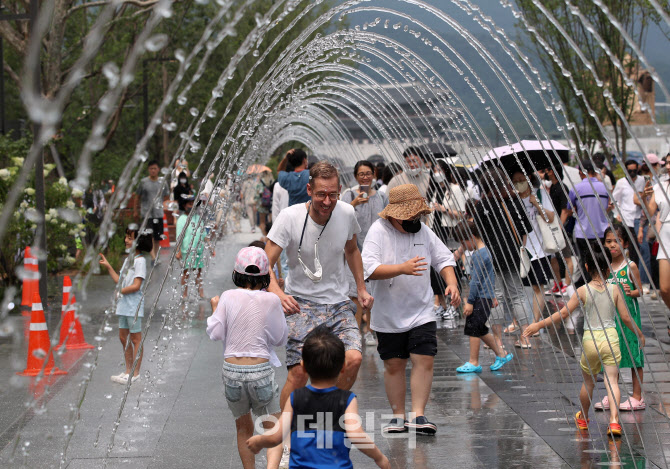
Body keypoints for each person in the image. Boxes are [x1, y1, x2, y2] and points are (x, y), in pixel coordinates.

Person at [265, 161, 373, 422]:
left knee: (354, 359)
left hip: (337, 302)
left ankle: (327, 415)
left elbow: (352, 250)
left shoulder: (346, 213)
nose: (327, 201)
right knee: (300, 373)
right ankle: (286, 435)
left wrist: (360, 287)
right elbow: (263, 263)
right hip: (300, 303)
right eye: (321, 194)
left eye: (333, 194)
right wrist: (279, 294)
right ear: (309, 189)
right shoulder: (289, 217)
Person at [362, 184, 460, 434]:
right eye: (410, 216)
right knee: (394, 364)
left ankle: (418, 416)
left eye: (418, 215)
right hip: (388, 311)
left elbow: (443, 258)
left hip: (422, 310)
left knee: (424, 358)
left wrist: (451, 283)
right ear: (394, 215)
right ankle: (397, 416)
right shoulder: (378, 231)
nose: (416, 220)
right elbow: (369, 269)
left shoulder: (423, 231)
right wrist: (401, 268)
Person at [523, 250, 645, 438]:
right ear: (608, 268)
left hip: (591, 341)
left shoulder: (583, 291)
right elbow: (626, 318)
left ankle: (583, 417)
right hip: (611, 339)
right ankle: (614, 422)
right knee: (612, 381)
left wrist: (538, 324)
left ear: (587, 267)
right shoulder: (616, 289)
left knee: (588, 383)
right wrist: (639, 334)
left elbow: (563, 314)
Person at [246, 326, 390, 469]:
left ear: (303, 366)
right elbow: (356, 434)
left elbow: (277, 436)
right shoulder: (347, 399)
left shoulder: (295, 398)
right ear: (343, 367)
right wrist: (379, 458)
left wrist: (260, 440)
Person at [207, 246, 288, 469]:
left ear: (237, 273)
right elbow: (281, 338)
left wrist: (215, 309)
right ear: (265, 276)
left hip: (231, 371)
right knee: (273, 427)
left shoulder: (226, 297)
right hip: (260, 371)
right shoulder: (271, 300)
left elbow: (215, 334)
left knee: (243, 427)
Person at [474, 169, 534, 349]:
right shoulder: (515, 201)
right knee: (518, 295)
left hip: (491, 255)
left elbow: (479, 235)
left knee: (496, 296)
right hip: (513, 253)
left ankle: (498, 341)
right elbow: (525, 231)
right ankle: (525, 338)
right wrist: (520, 249)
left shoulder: (481, 205)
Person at [592, 225, 645, 412]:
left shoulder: (630, 266)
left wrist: (633, 292)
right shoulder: (605, 267)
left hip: (629, 317)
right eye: (608, 242)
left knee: (634, 356)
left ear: (625, 244)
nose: (612, 245)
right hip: (610, 318)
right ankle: (611, 394)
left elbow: (641, 290)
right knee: (610, 356)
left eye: (617, 241)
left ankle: (638, 396)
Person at [453, 220, 513, 373]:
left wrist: (470, 302)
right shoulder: (485, 251)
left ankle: (474, 362)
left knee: (474, 328)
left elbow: (476, 281)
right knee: (478, 328)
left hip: (480, 297)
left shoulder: (478, 255)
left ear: (472, 236)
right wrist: (491, 295)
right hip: (485, 297)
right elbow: (489, 276)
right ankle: (501, 354)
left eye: (463, 241)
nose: (463, 246)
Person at [340, 160, 388, 346]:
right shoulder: (349, 194)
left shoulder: (382, 197)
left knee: (373, 292)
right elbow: (340, 217)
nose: (365, 177)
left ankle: (370, 331)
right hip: (354, 251)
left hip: (377, 252)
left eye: (368, 173)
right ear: (355, 176)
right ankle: (355, 331)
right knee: (355, 294)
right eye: (361, 174)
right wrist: (353, 203)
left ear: (374, 174)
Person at [99, 226, 153, 384]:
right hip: (123, 305)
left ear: (139, 241)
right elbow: (119, 281)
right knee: (123, 338)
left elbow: (137, 285)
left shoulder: (140, 261)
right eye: (126, 237)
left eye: (130, 238)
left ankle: (135, 373)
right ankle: (128, 371)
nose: (126, 240)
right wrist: (109, 266)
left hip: (133, 305)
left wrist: (121, 290)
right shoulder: (129, 260)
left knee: (135, 338)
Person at [511, 171, 555, 328]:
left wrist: (537, 204)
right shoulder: (512, 199)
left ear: (529, 178)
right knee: (518, 288)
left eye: (521, 179)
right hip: (521, 248)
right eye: (515, 181)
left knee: (537, 286)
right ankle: (517, 321)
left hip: (540, 248)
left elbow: (551, 218)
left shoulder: (540, 195)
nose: (519, 183)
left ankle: (535, 323)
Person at [636, 155, 670, 342]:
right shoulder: (659, 186)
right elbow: (650, 212)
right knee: (664, 288)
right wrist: (644, 196)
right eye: (668, 163)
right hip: (665, 234)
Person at [563, 160, 610, 290]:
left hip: (582, 232)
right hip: (601, 232)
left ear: (581, 172)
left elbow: (569, 209)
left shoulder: (576, 189)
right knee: (600, 262)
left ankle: (585, 290)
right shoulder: (604, 188)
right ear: (594, 172)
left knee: (585, 262)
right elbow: (608, 207)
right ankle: (599, 288)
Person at [542, 167, 574, 297]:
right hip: (553, 227)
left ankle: (567, 285)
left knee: (567, 257)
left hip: (561, 228)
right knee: (553, 257)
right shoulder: (553, 187)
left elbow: (565, 210)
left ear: (554, 172)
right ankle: (558, 284)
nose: (546, 173)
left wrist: (559, 228)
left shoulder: (562, 188)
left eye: (548, 170)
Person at [612, 159, 645, 267]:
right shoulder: (621, 182)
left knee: (641, 248)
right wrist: (617, 213)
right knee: (632, 247)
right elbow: (614, 200)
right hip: (626, 218)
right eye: (629, 171)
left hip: (639, 217)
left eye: (634, 170)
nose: (632, 173)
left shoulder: (642, 180)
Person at [135, 159, 170, 263]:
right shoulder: (144, 182)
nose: (153, 170)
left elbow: (166, 195)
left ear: (158, 169)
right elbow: (137, 196)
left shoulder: (162, 182)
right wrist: (135, 211)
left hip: (158, 213)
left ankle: (155, 256)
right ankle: (153, 257)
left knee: (157, 237)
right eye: (151, 169)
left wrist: (164, 206)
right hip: (147, 213)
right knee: (149, 235)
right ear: (148, 170)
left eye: (155, 168)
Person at [175, 196, 209, 300]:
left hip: (198, 250)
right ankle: (184, 295)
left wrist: (211, 248)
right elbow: (179, 236)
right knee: (186, 272)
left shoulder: (197, 217)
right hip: (187, 250)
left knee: (198, 272)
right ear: (184, 206)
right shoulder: (182, 219)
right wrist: (178, 250)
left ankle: (201, 293)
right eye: (189, 204)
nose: (191, 206)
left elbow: (204, 234)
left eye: (193, 204)